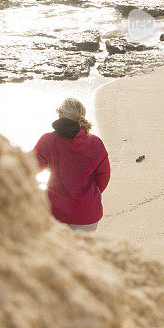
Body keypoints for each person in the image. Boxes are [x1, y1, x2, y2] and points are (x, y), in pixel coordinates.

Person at [33, 97, 110, 232]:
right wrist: (89, 195)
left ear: (60, 113)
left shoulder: (48, 140)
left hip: (56, 212)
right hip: (87, 213)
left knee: (57, 253)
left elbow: (29, 167)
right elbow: (104, 177)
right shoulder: (96, 143)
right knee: (82, 252)